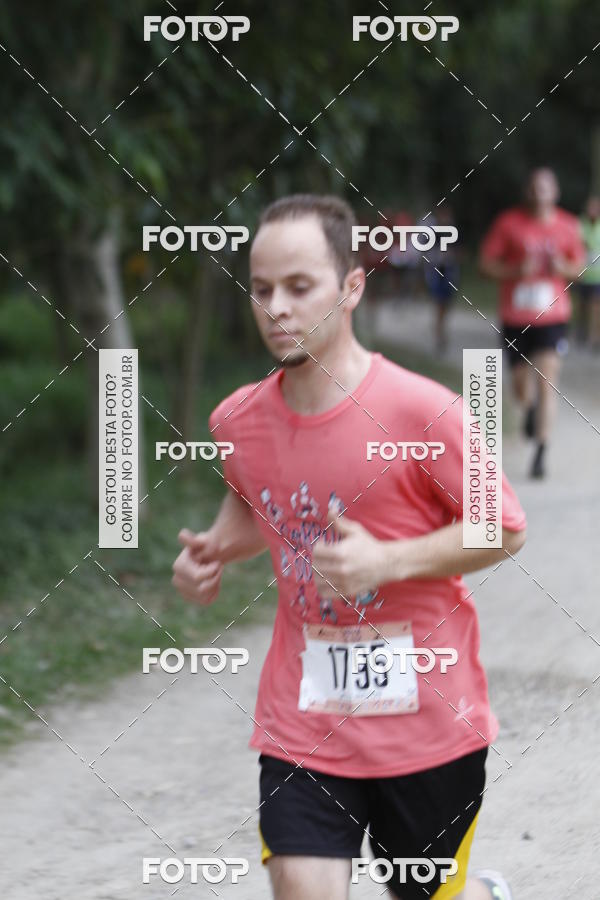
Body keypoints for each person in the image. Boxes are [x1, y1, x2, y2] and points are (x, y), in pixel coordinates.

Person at [173, 194, 527, 900]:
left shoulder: (421, 410)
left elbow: (505, 527)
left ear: (353, 286)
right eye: (262, 288)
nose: (277, 307)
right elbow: (259, 503)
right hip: (304, 720)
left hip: (428, 723)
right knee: (302, 888)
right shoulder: (238, 420)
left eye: (300, 288)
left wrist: (387, 561)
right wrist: (213, 550)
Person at [479, 167, 585, 479]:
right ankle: (527, 411)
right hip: (516, 318)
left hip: (553, 317)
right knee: (521, 386)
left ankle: (541, 451)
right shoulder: (509, 223)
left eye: (546, 187)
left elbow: (580, 269)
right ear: (528, 191)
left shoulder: (568, 225)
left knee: (547, 381)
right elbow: (485, 265)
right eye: (535, 186)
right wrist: (515, 272)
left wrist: (562, 267)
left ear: (556, 192)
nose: (541, 192)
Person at [424, 204, 460, 353]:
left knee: (447, 305)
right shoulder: (434, 233)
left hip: (450, 272)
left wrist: (451, 256)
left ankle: (440, 327)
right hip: (437, 272)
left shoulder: (455, 232)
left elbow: (460, 252)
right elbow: (426, 251)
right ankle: (440, 335)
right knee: (439, 304)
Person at [577, 195, 600, 349]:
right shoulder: (579, 224)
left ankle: (594, 337)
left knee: (595, 307)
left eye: (595, 207)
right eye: (590, 207)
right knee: (583, 306)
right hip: (582, 274)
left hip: (598, 276)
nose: (592, 210)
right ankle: (582, 333)